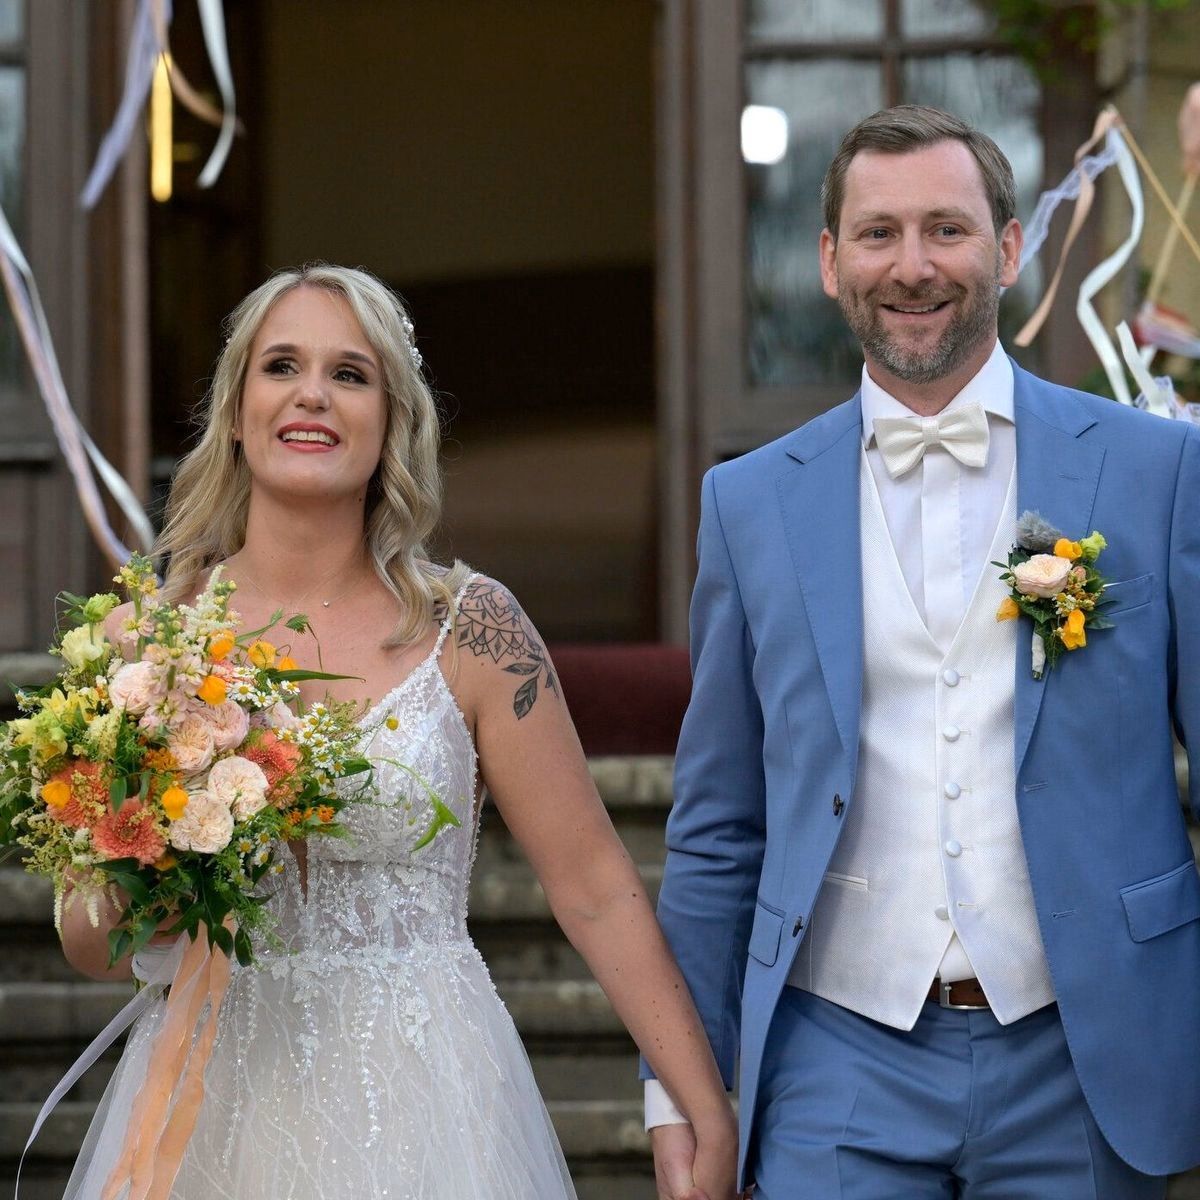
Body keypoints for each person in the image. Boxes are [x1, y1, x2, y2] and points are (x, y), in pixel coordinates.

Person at [58, 263, 738, 1199]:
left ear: (391, 417)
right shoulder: (148, 641)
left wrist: (699, 1100)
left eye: (350, 373)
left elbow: (596, 890)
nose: (312, 395)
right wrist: (166, 873)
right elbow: (88, 945)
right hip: (216, 1102)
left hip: (429, 1106)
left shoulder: (476, 630)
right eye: (281, 366)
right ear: (237, 405)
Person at [646, 105, 1200, 1199]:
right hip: (834, 1056)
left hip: (1087, 1051)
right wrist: (682, 1086)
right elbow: (716, 828)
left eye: (946, 229)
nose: (912, 266)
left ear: (1009, 247)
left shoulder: (1156, 471)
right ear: (828, 260)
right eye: (878, 233)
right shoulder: (748, 504)